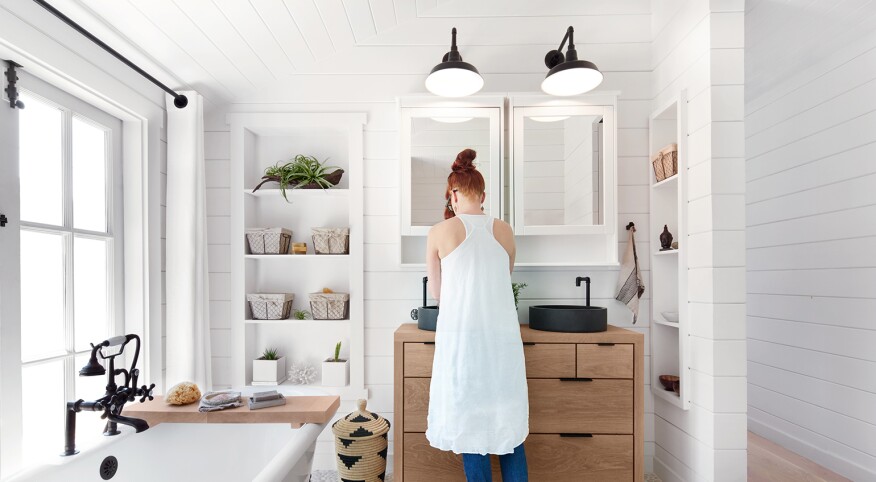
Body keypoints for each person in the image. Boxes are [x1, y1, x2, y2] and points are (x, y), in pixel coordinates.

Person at [424, 148, 530, 482]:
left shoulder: (439, 232)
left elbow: (437, 294)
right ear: (483, 196)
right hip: (501, 343)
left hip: (462, 343)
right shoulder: (505, 230)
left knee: (471, 427)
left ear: (453, 195)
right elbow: (503, 278)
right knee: (507, 427)